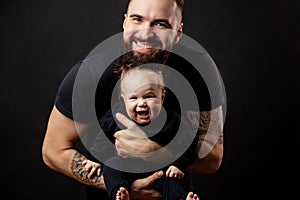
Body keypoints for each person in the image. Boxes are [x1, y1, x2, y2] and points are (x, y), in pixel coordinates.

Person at [42, 0, 225, 199]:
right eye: (137, 19)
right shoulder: (90, 74)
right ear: (125, 22)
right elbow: (53, 151)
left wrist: (156, 153)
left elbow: (212, 159)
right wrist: (124, 186)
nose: (146, 33)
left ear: (178, 32)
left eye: (161, 24)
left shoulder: (199, 70)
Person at [85, 66, 199, 200]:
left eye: (149, 96)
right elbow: (103, 136)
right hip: (127, 166)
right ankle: (120, 192)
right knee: (111, 166)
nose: (142, 103)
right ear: (124, 100)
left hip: (160, 169)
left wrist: (178, 165)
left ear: (162, 97)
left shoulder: (172, 121)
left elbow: (190, 143)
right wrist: (95, 159)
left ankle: (180, 198)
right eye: (133, 98)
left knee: (172, 179)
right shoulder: (117, 115)